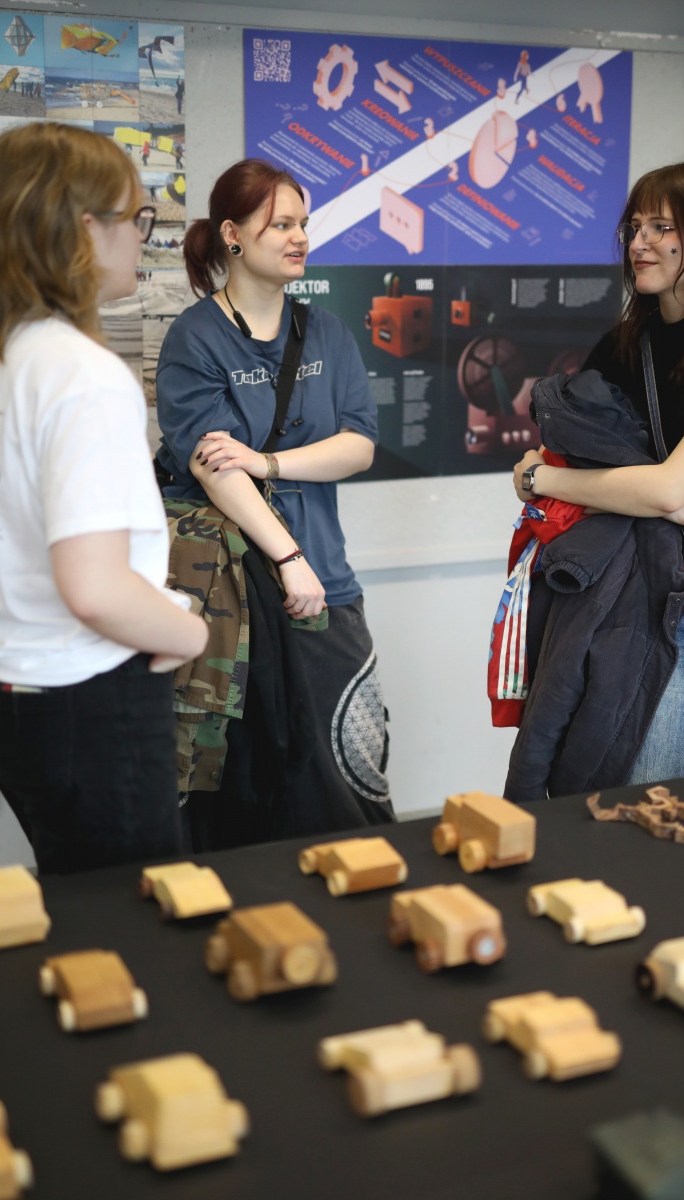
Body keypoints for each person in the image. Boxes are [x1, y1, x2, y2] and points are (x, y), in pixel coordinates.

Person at [508, 160, 684, 795]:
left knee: (647, 807)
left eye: (662, 227)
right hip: (593, 595)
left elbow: (653, 487)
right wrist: (657, 496)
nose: (639, 243)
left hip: (678, 607)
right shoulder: (623, 344)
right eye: (635, 227)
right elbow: (532, 469)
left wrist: (566, 483)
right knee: (574, 794)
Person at [155, 157, 394, 846]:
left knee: (351, 774)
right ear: (232, 235)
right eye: (281, 225)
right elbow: (213, 469)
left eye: (302, 224)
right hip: (232, 598)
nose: (299, 238)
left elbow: (359, 445)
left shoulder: (327, 332)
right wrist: (288, 559)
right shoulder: (195, 338)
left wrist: (267, 462)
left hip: (326, 583)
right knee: (244, 791)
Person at [0, 123, 208, 874]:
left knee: (78, 902)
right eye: (136, 218)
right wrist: (191, 633)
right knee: (135, 913)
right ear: (84, 229)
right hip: (88, 694)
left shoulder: (8, 357)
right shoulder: (80, 373)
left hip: (14, 686)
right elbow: (95, 588)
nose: (142, 237)